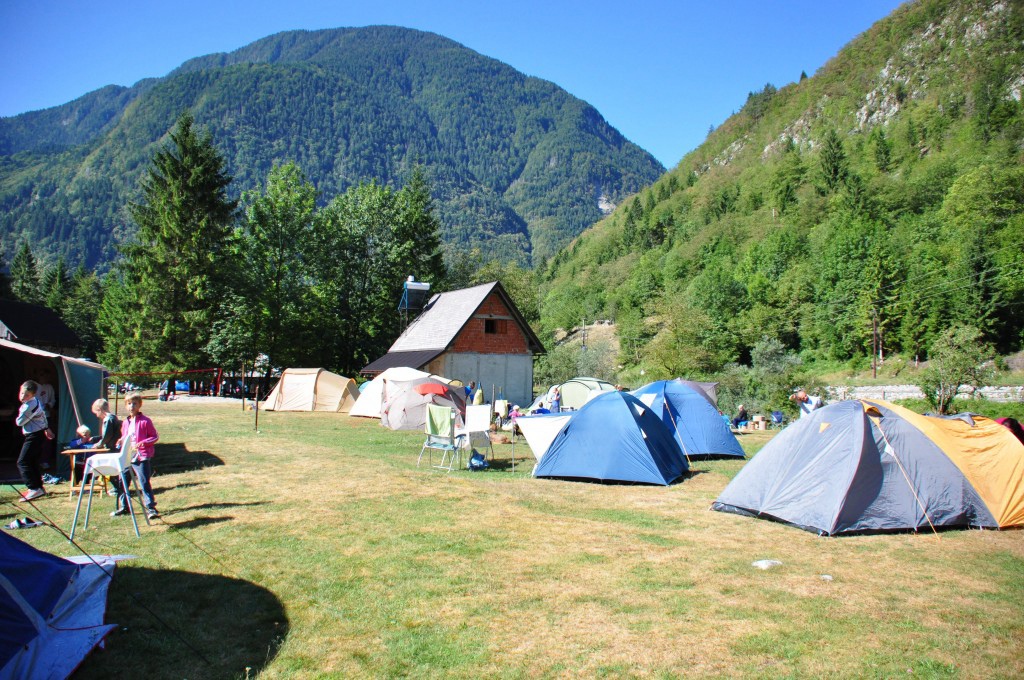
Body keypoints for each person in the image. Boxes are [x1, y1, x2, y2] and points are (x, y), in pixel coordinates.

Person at [111, 393, 160, 520]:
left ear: (139, 405)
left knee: (144, 482)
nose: (131, 406)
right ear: (126, 405)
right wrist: (120, 441)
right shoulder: (126, 422)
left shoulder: (145, 421)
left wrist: (145, 442)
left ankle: (151, 508)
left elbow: (154, 436)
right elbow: (126, 436)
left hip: (141, 456)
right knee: (123, 482)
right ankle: (124, 506)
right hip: (127, 455)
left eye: (134, 403)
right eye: (129, 403)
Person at [15, 380, 54, 501]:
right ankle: (39, 487)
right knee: (32, 461)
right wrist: (47, 428)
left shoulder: (28, 406)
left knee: (22, 462)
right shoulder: (36, 401)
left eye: (26, 395)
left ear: (33, 395)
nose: (22, 397)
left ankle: (33, 488)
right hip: (37, 434)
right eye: (21, 393)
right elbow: (42, 416)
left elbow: (19, 422)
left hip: (34, 436)